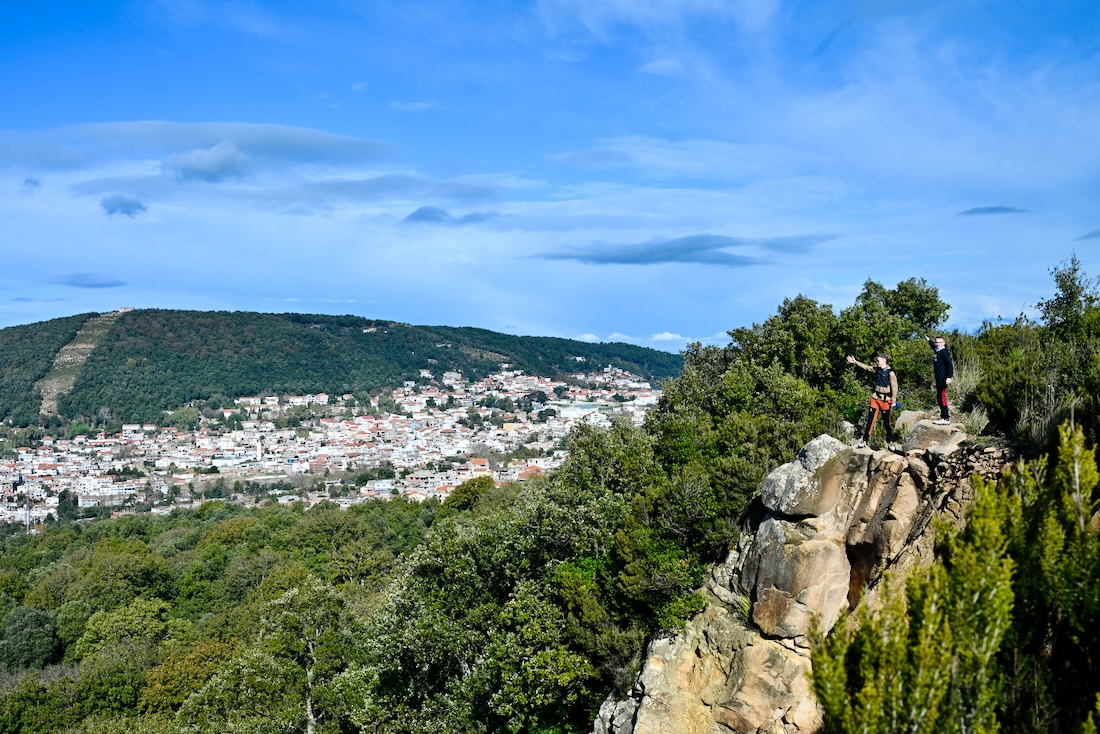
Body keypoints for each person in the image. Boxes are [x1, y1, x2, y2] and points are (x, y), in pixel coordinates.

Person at [846, 353, 899, 450]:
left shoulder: (890, 373)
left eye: (878, 360)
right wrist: (855, 362)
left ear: (884, 360)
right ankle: (865, 440)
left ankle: (890, 442)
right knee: (870, 420)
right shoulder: (877, 369)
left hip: (885, 400)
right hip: (875, 398)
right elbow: (866, 367)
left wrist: (894, 400)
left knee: (887, 422)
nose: (877, 362)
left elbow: (894, 386)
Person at [928, 336, 954, 425]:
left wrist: (949, 377)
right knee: (939, 398)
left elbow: (949, 365)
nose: (937, 344)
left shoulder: (944, 352)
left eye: (940, 342)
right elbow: (933, 346)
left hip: (943, 379)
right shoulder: (937, 351)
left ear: (944, 343)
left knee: (942, 398)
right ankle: (943, 416)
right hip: (938, 379)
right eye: (936, 342)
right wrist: (928, 340)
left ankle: (945, 418)